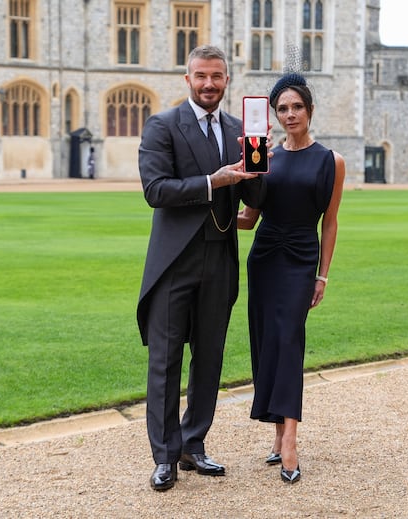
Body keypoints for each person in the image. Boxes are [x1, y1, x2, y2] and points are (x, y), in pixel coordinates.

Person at [136, 45, 268, 492]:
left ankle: (194, 445)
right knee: (166, 360)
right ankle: (165, 456)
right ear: (187, 79)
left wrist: (261, 159)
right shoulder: (163, 125)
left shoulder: (238, 128)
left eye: (217, 76)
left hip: (220, 259)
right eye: (201, 76)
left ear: (227, 81)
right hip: (175, 261)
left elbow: (257, 199)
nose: (209, 84)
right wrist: (216, 181)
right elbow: (155, 189)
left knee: (209, 358)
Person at [238, 72, 345, 484]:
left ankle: (291, 440)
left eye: (296, 106)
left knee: (289, 340)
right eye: (281, 108)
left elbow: (330, 224)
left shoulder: (331, 161)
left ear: (310, 110)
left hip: (301, 258)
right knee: (268, 341)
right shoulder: (265, 157)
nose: (289, 114)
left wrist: (323, 275)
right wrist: (223, 190)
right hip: (264, 256)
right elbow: (249, 219)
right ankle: (278, 432)